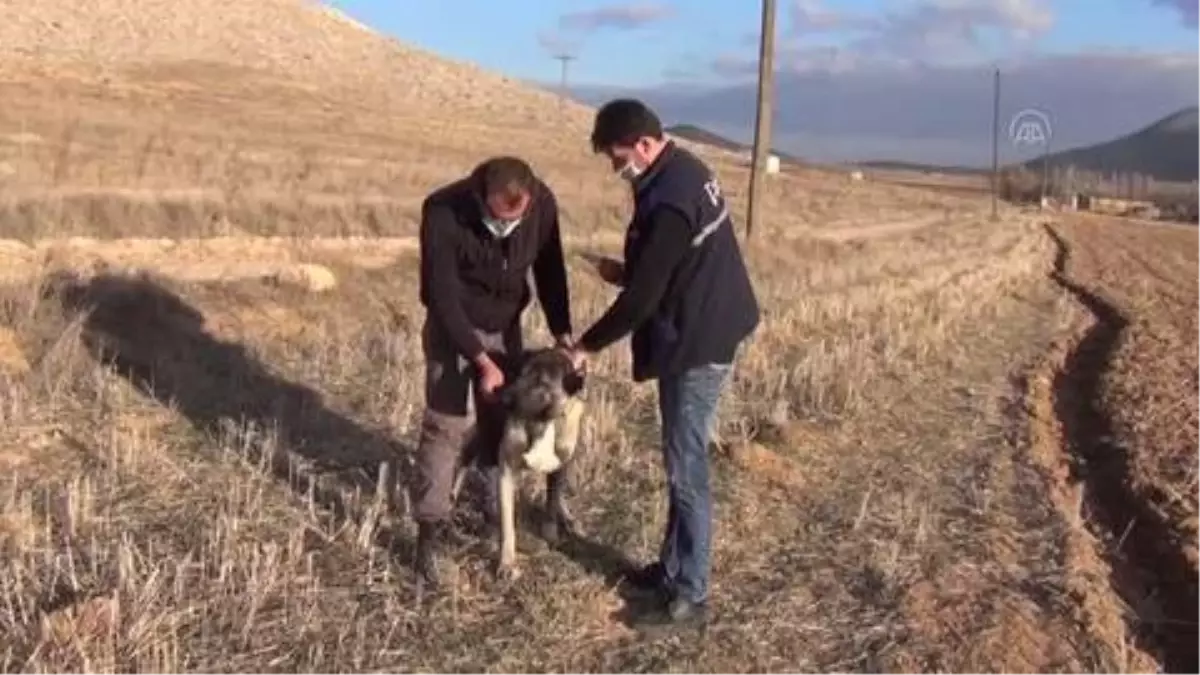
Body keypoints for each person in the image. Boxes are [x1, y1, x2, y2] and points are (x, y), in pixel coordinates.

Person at [562, 99, 761, 630]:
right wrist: (627, 270)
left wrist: (586, 345)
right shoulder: (684, 168)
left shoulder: (670, 197)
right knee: (681, 460)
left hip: (700, 339)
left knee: (686, 467)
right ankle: (672, 570)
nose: (616, 168)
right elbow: (669, 267)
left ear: (646, 146)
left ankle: (691, 595)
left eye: (618, 158)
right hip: (708, 320)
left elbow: (644, 300)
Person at [413, 156, 574, 589]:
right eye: (497, 219)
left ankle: (491, 505)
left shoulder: (542, 206)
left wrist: (563, 333)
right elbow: (440, 295)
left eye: (514, 221)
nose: (505, 229)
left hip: (505, 323)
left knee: (499, 419)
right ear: (481, 197)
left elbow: (550, 270)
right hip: (453, 325)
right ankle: (430, 529)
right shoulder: (444, 211)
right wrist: (479, 359)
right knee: (444, 425)